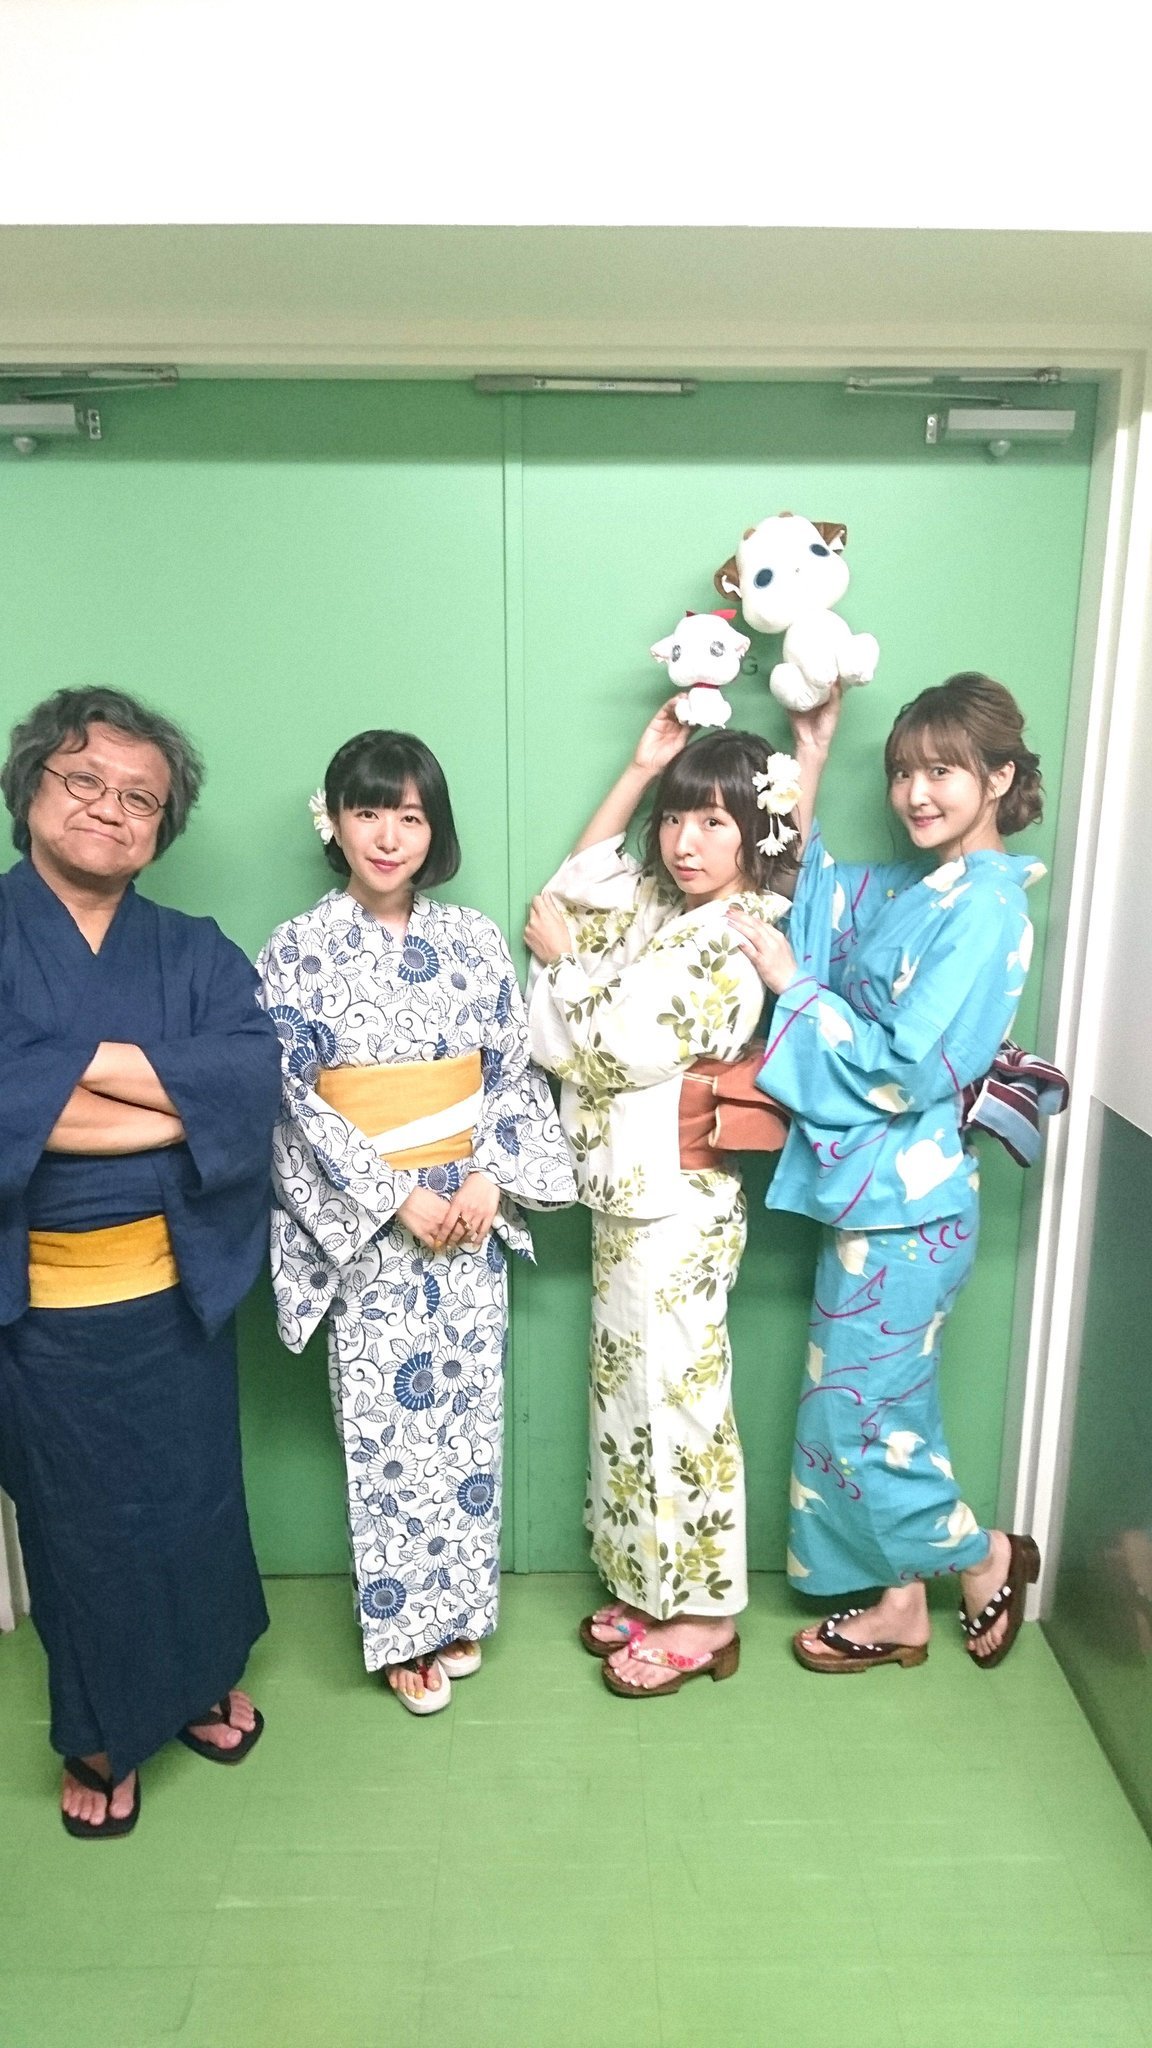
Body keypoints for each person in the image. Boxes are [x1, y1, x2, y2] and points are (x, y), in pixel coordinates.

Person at [0, 687, 282, 1838]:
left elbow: (248, 1084)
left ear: (163, 829)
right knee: (83, 1529)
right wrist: (164, 1094)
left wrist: (60, 1069)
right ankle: (104, 1730)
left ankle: (203, 1678)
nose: (110, 809)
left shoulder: (195, 951)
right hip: (43, 1310)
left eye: (140, 798)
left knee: (198, 1500)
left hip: (177, 1290)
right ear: (31, 788)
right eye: (85, 780)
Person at [728, 672, 1046, 1672]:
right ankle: (902, 1601)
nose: (916, 793)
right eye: (906, 772)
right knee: (872, 1411)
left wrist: (794, 986)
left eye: (943, 771)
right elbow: (819, 890)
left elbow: (909, 1063)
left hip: (913, 1207)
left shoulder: (985, 906)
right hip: (879, 1200)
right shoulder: (926, 888)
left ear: (999, 777)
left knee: (861, 1417)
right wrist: (813, 750)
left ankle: (984, 1554)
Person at [258, 731, 574, 1714]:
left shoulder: (473, 938)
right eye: (368, 812)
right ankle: (404, 1630)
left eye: (409, 814)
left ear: (434, 828)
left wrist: (490, 1175)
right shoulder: (296, 950)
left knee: (468, 1427)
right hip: (374, 1225)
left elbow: (511, 1071)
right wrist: (395, 1193)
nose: (388, 836)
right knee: (387, 1430)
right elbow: (289, 1101)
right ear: (335, 822)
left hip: (470, 1219)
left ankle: (459, 1606)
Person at [525, 700, 796, 1698]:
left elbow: (607, 1045)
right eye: (676, 818)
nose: (686, 841)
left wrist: (564, 966)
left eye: (715, 821)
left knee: (682, 1404)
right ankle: (654, 1584)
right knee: (632, 1402)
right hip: (633, 1196)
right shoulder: (668, 908)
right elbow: (573, 890)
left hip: (679, 1202)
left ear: (757, 834)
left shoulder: (732, 935)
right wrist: (643, 767)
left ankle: (709, 1612)